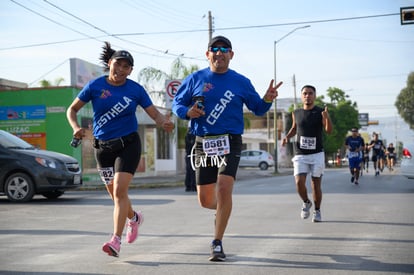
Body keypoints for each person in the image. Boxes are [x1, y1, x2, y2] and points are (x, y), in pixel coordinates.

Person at [172, 35, 282, 261]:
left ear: (231, 54)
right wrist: (187, 112)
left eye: (224, 49)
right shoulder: (195, 78)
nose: (219, 53)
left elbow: (258, 109)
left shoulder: (240, 81)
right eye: (215, 49)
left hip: (229, 142)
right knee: (205, 200)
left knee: (223, 188)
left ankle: (217, 242)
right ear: (207, 54)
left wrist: (268, 99)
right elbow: (177, 104)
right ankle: (223, 209)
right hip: (203, 142)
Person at [66, 42, 174, 257]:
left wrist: (163, 122)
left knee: (119, 191)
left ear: (130, 70)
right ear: (110, 64)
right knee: (117, 196)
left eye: (126, 67)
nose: (121, 70)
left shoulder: (135, 89)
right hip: (103, 149)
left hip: (128, 145)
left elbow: (154, 113)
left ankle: (115, 240)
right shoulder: (95, 86)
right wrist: (76, 127)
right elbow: (72, 109)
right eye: (118, 64)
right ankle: (134, 218)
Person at [282, 85, 333, 223]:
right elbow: (294, 128)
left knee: (315, 185)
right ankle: (306, 202)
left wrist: (327, 118)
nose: (307, 96)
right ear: (301, 96)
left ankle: (317, 210)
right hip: (300, 154)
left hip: (317, 154)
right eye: (305, 93)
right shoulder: (296, 112)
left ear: (314, 96)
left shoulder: (320, 112)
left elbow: (328, 131)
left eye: (310, 93)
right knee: (299, 182)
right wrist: (287, 137)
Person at [184, 122, 196, 192]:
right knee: (193, 171)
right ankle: (193, 186)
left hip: (188, 155)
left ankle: (188, 186)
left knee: (189, 171)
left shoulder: (187, 134)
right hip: (193, 154)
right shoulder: (192, 135)